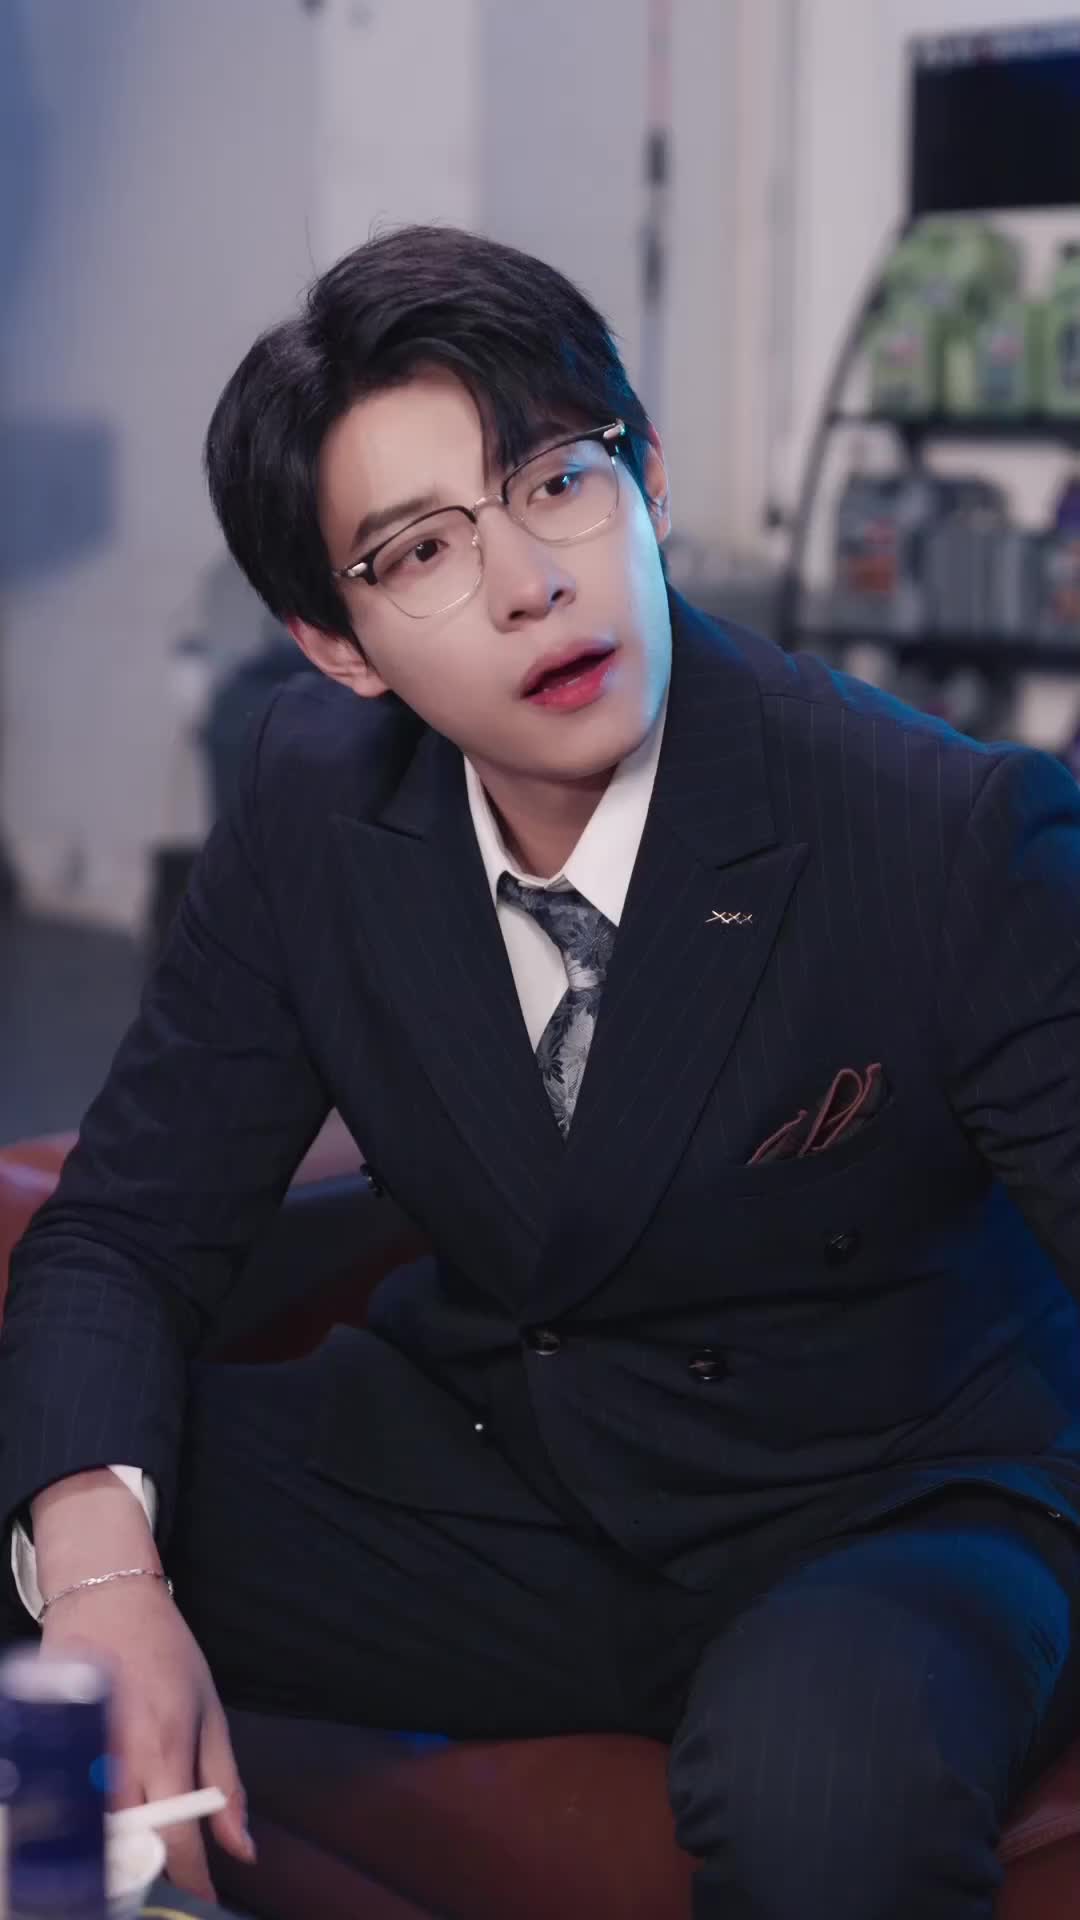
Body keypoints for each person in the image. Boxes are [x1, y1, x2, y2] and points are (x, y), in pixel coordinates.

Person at [2, 225, 1080, 1920]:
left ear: (648, 480)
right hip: (504, 1466)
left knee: (824, 1791)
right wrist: (101, 1578)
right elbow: (127, 1227)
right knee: (46, 1494)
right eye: (422, 549)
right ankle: (89, 1894)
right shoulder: (313, 803)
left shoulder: (942, 833)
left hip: (881, 1504)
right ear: (338, 641)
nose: (528, 582)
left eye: (559, 481)